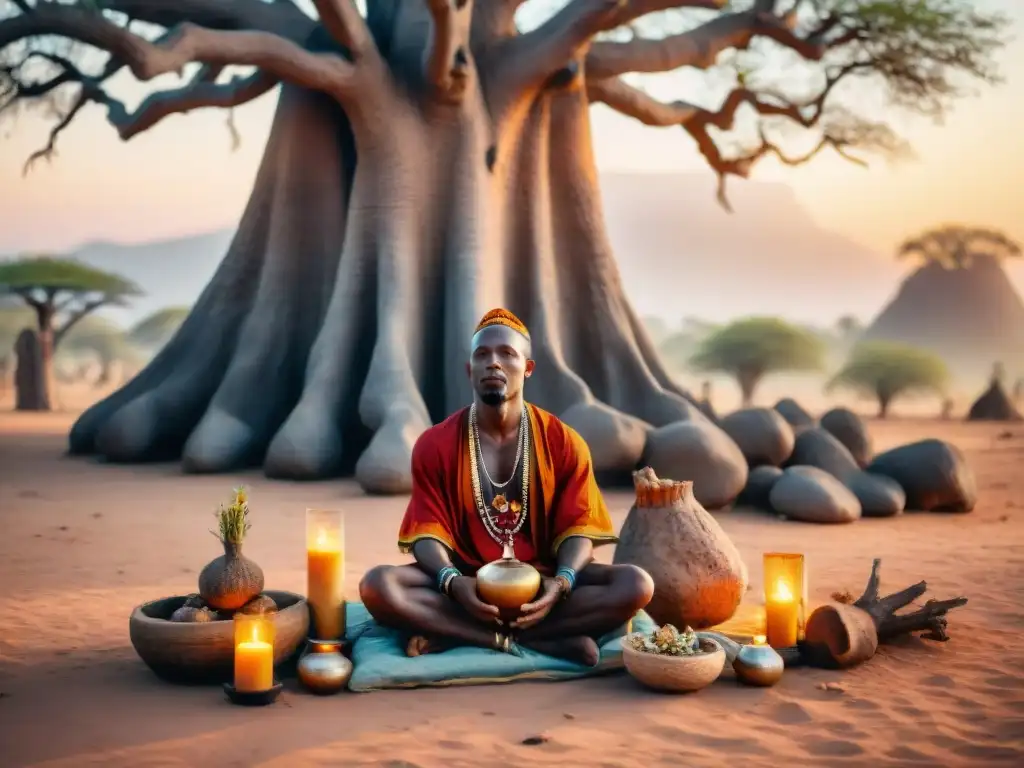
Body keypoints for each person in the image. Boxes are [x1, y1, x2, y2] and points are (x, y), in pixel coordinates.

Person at [359, 308, 654, 665]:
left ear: (527, 368)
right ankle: (527, 640)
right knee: (378, 586)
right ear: (470, 370)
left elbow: (579, 529)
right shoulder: (434, 443)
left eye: (507, 354)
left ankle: (460, 634)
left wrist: (560, 584)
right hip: (466, 583)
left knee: (635, 585)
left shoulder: (564, 442)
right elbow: (427, 532)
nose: (493, 363)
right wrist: (453, 582)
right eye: (482, 355)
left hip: (544, 583)